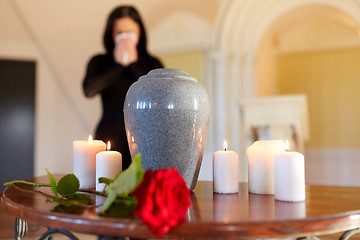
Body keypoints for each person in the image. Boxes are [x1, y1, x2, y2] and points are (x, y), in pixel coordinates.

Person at [83, 5, 163, 170]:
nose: (125, 37)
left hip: (144, 139)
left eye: (130, 32)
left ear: (140, 32)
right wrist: (119, 65)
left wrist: (132, 63)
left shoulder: (152, 63)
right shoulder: (99, 61)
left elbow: (160, 92)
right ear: (111, 34)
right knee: (104, 188)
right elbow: (89, 90)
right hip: (108, 135)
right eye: (120, 32)